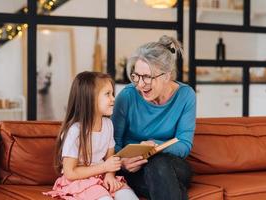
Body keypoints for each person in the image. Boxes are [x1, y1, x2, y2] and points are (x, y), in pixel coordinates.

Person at [112, 35, 196, 200]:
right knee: (161, 177)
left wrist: (154, 147)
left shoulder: (186, 95)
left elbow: (184, 144)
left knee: (157, 162)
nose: (141, 84)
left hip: (173, 164)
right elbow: (113, 142)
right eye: (136, 76)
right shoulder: (127, 96)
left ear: (167, 75)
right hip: (134, 168)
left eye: (147, 77)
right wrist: (122, 162)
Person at [43, 71, 139, 200]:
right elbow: (70, 172)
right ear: (90, 98)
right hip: (80, 181)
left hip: (103, 176)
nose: (113, 98)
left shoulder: (108, 124)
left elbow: (110, 159)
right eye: (107, 94)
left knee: (129, 197)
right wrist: (104, 167)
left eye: (112, 94)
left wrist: (110, 175)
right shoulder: (75, 131)